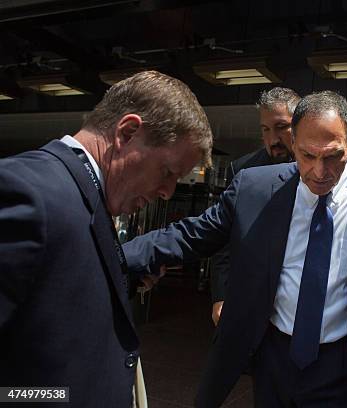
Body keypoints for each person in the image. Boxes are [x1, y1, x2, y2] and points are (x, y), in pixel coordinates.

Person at [123, 91, 347, 408]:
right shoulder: (254, 187)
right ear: (294, 143)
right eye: (307, 155)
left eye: (332, 156)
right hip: (274, 355)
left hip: (343, 362)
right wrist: (118, 256)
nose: (320, 172)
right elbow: (194, 235)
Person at [0, 71, 212, 407]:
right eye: (167, 172)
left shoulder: (84, 197)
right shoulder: (26, 191)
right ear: (127, 133)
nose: (168, 192)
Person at [210, 87, 300, 326]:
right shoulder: (244, 171)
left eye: (281, 127)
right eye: (265, 130)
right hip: (254, 304)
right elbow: (225, 240)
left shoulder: (337, 169)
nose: (273, 140)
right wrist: (221, 295)